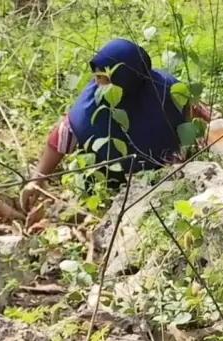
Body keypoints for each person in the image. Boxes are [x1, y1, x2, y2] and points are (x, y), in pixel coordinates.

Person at [20, 38, 210, 212]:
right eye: (97, 75)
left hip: (164, 176)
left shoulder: (165, 89)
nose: (96, 82)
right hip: (108, 179)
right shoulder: (93, 103)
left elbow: (197, 115)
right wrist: (36, 180)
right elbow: (62, 137)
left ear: (126, 80)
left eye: (104, 78)